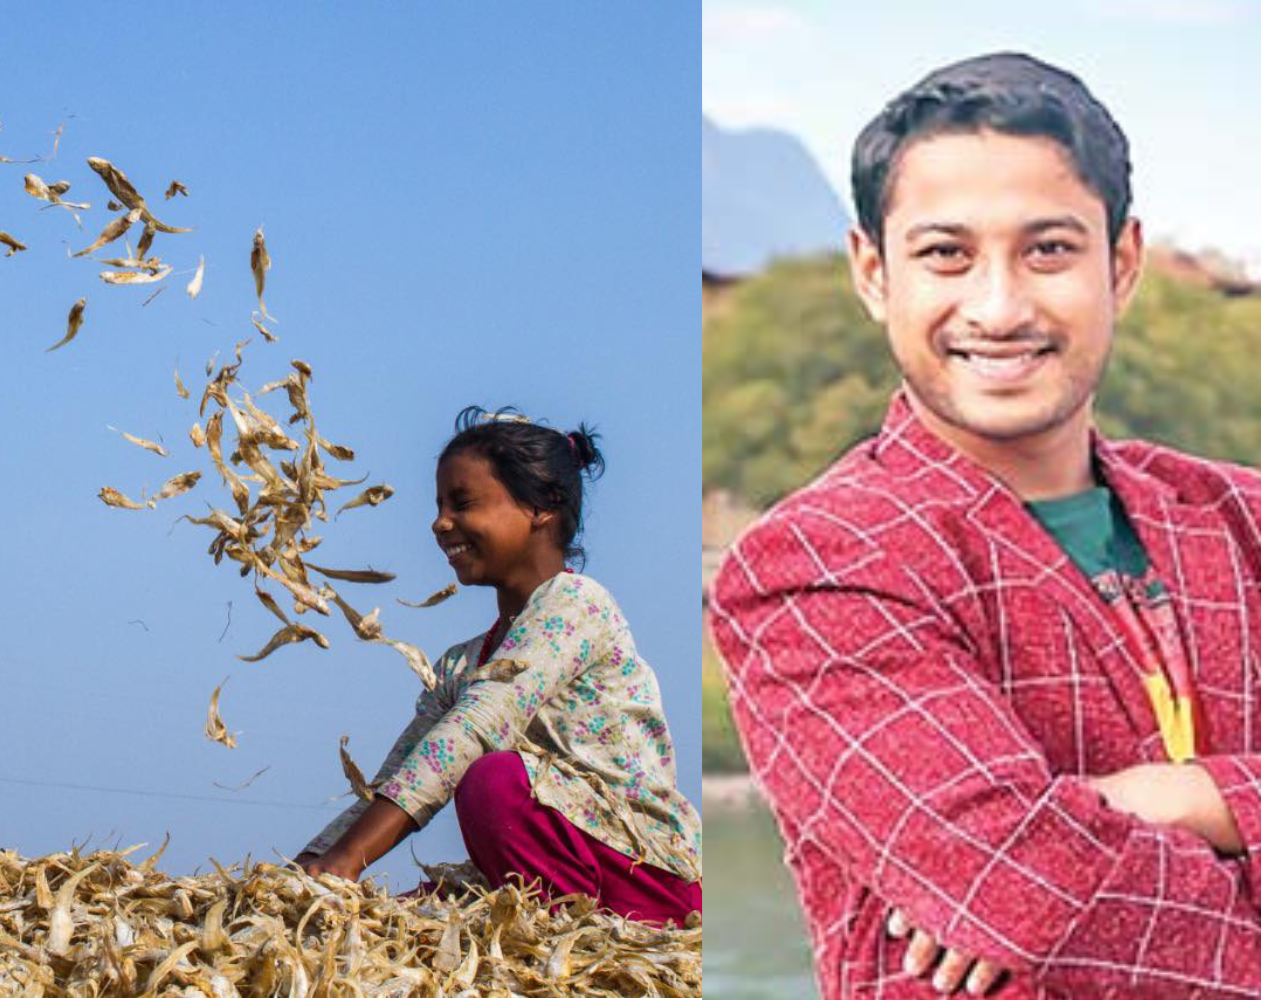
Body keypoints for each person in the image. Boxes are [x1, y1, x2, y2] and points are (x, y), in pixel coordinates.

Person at [712, 52, 1261, 999]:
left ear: (1121, 263)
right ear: (874, 273)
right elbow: (1026, 888)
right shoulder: (813, 564)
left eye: (1048, 250)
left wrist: (1199, 795)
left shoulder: (1240, 517)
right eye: (946, 254)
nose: (999, 308)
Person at [296, 407, 702, 923]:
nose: (440, 523)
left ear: (542, 507)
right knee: (410, 913)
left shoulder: (576, 606)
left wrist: (350, 858)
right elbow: (402, 775)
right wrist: (308, 868)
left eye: (463, 503)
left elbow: (478, 725)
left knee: (494, 781)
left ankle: (566, 934)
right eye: (439, 506)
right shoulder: (461, 664)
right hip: (566, 868)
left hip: (646, 875)